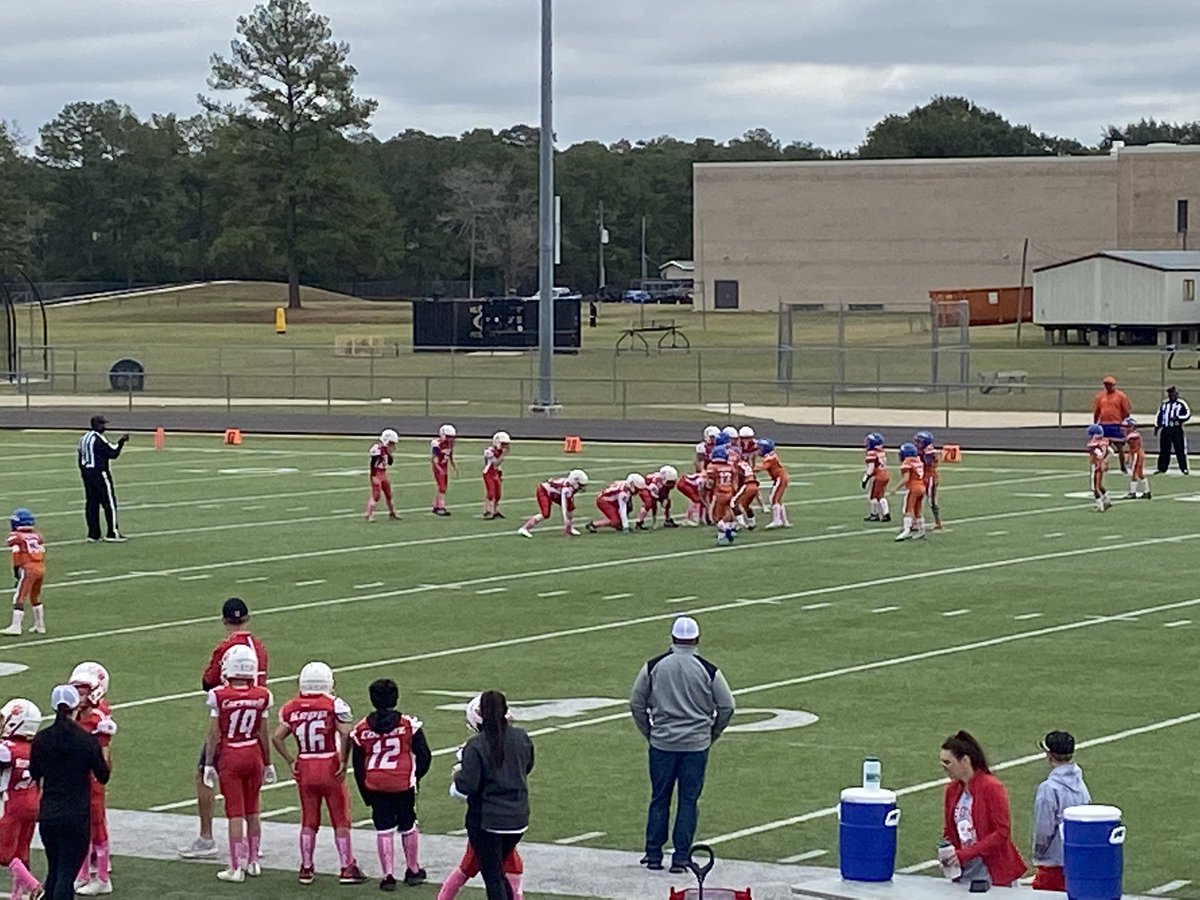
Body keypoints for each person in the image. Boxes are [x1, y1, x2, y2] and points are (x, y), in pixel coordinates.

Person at [630, 616, 735, 874]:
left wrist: (650, 732)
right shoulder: (708, 669)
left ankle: (653, 854)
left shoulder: (655, 666)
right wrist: (712, 733)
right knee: (688, 801)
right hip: (695, 745)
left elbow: (636, 703)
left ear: (673, 638)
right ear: (696, 640)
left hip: (662, 743)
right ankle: (680, 857)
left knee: (659, 798)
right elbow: (727, 705)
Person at [180, 597, 269, 860]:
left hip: (229, 720)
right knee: (252, 782)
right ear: (247, 618)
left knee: (204, 773)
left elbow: (208, 682)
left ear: (224, 620)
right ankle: (254, 842)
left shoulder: (226, 648)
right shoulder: (260, 647)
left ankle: (207, 837)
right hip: (255, 716)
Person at [272, 661, 367, 886]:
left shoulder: (291, 707)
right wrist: (343, 759)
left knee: (309, 818)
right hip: (328, 763)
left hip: (305, 764)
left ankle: (306, 867)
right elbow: (345, 733)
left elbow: (276, 737)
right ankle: (346, 867)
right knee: (340, 818)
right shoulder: (334, 704)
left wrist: (290, 759)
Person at [350, 678, 431, 891]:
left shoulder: (361, 728)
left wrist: (365, 792)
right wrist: (415, 776)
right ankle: (413, 870)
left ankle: (388, 875)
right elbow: (424, 755)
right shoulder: (408, 725)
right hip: (403, 782)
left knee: (383, 829)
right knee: (408, 825)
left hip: (376, 784)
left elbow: (358, 765)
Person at [29, 684, 109, 900]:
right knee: (66, 875)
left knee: (54, 870)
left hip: (49, 813)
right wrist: (104, 743)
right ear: (76, 706)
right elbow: (103, 775)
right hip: (75, 815)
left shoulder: (41, 739)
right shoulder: (86, 741)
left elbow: (34, 773)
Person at [440, 695, 524, 900]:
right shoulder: (521, 737)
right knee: (498, 871)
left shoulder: (475, 746)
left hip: (487, 821)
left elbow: (463, 790)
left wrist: (457, 779)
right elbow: (526, 767)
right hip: (518, 818)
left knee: (493, 876)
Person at [204, 644, 275, 883]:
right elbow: (264, 732)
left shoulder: (219, 695)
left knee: (235, 812)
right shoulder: (262, 694)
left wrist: (209, 763)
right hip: (253, 752)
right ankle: (253, 861)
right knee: (253, 809)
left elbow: (214, 734)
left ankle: (235, 866)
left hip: (231, 754)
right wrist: (268, 762)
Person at [938, 730, 1027, 889]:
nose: (944, 767)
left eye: (947, 762)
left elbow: (1002, 832)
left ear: (965, 760)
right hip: (964, 871)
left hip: (991, 872)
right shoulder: (952, 790)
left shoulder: (992, 788)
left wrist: (965, 854)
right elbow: (950, 830)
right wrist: (947, 851)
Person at [68, 662, 115, 897]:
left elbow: (105, 760)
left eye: (83, 690)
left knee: (95, 827)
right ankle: (83, 874)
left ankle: (103, 877)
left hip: (92, 779)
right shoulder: (79, 715)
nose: (78, 695)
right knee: (82, 827)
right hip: (78, 778)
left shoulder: (98, 719)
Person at [1031, 731, 1091, 892]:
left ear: (1049, 755)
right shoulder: (1080, 784)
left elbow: (1043, 829)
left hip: (1054, 862)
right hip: (1076, 859)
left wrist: (1038, 853)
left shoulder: (1048, 788)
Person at [0, 698, 44, 900]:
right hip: (34, 802)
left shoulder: (7, 748)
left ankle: (33, 885)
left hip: (11, 804)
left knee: (4, 853)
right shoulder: (36, 748)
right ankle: (17, 895)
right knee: (22, 850)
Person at [77, 416, 128, 543]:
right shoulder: (98, 439)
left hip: (87, 473)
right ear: (97, 425)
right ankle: (112, 532)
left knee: (92, 503)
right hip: (100, 473)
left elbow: (80, 456)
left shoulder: (84, 438)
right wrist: (121, 442)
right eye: (103, 425)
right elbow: (113, 453)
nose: (105, 427)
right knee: (109, 502)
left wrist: (84, 471)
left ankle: (93, 533)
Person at [4, 508, 46, 636]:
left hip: (28, 568)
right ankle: (40, 625)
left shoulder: (16, 536)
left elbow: (16, 553)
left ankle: (16, 626)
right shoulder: (37, 535)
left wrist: (16, 571)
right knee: (35, 596)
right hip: (40, 567)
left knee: (19, 597)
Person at [517, 470, 588, 538]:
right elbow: (563, 506)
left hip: (555, 493)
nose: (581, 487)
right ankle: (524, 528)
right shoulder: (566, 488)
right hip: (544, 491)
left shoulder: (570, 486)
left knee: (570, 508)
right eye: (580, 485)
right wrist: (566, 521)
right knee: (546, 514)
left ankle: (570, 528)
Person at [1092, 375, 1132, 472]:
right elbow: (1097, 411)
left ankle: (1123, 466)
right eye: (1106, 385)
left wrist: (1124, 422)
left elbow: (1126, 410)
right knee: (1103, 447)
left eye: (1110, 385)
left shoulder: (1121, 396)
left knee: (1120, 446)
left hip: (1116, 424)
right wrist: (1096, 423)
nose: (1108, 387)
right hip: (1104, 425)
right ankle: (1104, 464)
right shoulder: (1100, 396)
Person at [892, 442, 927, 541]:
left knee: (908, 509)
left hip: (913, 488)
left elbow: (906, 478)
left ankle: (907, 530)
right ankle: (921, 530)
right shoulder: (918, 461)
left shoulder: (907, 462)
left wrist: (895, 488)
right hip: (922, 487)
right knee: (917, 510)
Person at [1155, 385, 1191, 475]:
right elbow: (1159, 415)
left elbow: (1187, 414)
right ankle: (1162, 468)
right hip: (1166, 429)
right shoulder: (1164, 404)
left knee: (1180, 449)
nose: (1171, 395)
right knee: (1164, 449)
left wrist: (1178, 418)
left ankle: (1184, 468)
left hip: (1176, 429)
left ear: (1176, 394)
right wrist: (1157, 426)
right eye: (1170, 393)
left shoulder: (1181, 403)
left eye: (1173, 393)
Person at [755, 439, 791, 529]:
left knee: (773, 499)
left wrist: (748, 469)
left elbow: (762, 468)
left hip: (780, 478)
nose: (759, 450)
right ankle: (784, 520)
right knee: (778, 499)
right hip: (781, 477)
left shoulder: (770, 458)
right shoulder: (770, 456)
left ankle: (776, 520)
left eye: (760, 448)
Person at [366, 429, 400, 522]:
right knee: (376, 496)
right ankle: (370, 514)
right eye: (391, 443)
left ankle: (392, 512)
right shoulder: (376, 448)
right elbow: (374, 464)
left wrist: (388, 453)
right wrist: (374, 477)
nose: (392, 445)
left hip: (384, 473)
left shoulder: (385, 449)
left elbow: (390, 462)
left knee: (389, 494)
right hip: (376, 474)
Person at [914, 430, 943, 529]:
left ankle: (937, 522)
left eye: (919, 442)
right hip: (924, 476)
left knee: (931, 500)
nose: (917, 444)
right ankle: (915, 521)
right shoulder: (924, 450)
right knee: (917, 498)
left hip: (930, 477)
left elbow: (926, 462)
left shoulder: (929, 452)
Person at [862, 433, 891, 522]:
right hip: (885, 473)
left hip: (879, 476)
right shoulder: (881, 451)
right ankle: (882, 514)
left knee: (874, 496)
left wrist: (865, 478)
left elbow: (871, 468)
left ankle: (877, 514)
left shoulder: (872, 453)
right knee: (880, 495)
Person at [431, 424, 459, 516]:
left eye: (452, 437)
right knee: (442, 487)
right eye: (449, 437)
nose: (451, 439)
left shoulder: (450, 444)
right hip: (438, 466)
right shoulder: (437, 444)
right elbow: (434, 459)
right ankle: (441, 507)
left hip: (444, 466)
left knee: (443, 487)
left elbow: (450, 455)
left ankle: (436, 506)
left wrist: (454, 466)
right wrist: (439, 469)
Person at [482, 432, 510, 520]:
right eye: (503, 444)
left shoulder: (499, 451)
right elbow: (495, 463)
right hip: (488, 473)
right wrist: (503, 455)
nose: (505, 446)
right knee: (491, 492)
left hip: (495, 473)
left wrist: (500, 473)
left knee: (498, 494)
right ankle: (488, 510)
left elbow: (498, 466)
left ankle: (495, 510)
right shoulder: (489, 451)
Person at [1122, 417, 1150, 499]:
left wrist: (1128, 456)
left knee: (1134, 473)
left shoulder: (1132, 436)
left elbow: (1132, 448)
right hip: (1138, 453)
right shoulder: (1133, 435)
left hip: (1136, 454)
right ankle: (1147, 491)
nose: (1124, 429)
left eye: (1127, 427)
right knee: (1140, 474)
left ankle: (1132, 492)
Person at [1087, 424, 1113, 512]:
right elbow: (1111, 452)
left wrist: (1101, 461)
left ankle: (1100, 506)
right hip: (1100, 465)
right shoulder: (1104, 441)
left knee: (1094, 487)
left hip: (1096, 465)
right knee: (1099, 485)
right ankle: (1107, 501)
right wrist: (1106, 462)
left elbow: (1099, 454)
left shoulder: (1093, 444)